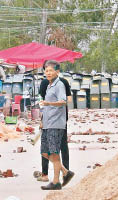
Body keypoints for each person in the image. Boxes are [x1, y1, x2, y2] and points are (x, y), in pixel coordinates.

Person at [40, 60, 74, 190]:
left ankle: (56, 182)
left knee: (54, 152)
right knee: (44, 151)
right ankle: (65, 172)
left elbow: (63, 102)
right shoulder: (49, 85)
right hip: (47, 123)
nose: (47, 73)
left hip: (56, 123)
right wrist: (42, 119)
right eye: (46, 70)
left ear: (57, 72)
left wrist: (49, 104)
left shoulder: (59, 85)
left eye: (50, 70)